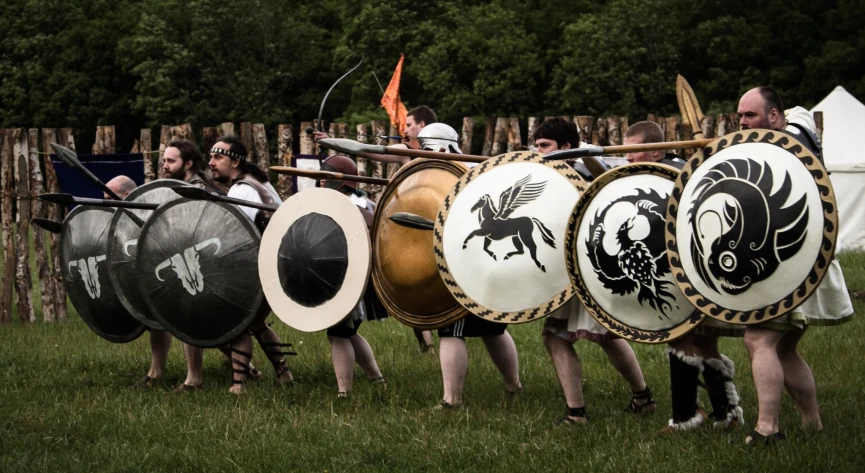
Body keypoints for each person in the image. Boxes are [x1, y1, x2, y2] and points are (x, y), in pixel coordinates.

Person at [736, 87, 854, 444]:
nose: (742, 122)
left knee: (759, 339)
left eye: (749, 116)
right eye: (739, 115)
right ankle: (813, 425)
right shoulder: (787, 143)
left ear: (774, 116)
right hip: (801, 265)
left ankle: (767, 430)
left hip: (791, 265)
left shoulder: (789, 150)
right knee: (784, 348)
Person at [623, 122, 744, 432]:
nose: (627, 161)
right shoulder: (687, 169)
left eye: (631, 155)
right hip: (703, 273)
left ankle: (685, 417)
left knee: (680, 340)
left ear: (655, 150)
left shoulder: (672, 176)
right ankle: (727, 412)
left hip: (688, 272)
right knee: (704, 344)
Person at [534, 117, 655, 424]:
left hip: (590, 269)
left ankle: (578, 414)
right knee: (603, 336)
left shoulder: (588, 171)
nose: (539, 152)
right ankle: (642, 398)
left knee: (559, 337)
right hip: (572, 272)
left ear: (566, 148)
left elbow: (613, 191)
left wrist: (589, 157)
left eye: (545, 146)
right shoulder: (548, 177)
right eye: (535, 146)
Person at [314, 106, 439, 354]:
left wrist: (329, 140)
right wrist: (331, 141)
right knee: (411, 281)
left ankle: (434, 340)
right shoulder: (422, 154)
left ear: (422, 126)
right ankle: (428, 344)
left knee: (414, 282)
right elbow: (368, 151)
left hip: (423, 222)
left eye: (409, 125)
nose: (405, 129)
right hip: (413, 223)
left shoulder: (416, 153)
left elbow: (365, 150)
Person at [415, 124, 523, 408]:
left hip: (464, 264)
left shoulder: (456, 174)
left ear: (442, 147)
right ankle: (514, 387)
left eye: (427, 149)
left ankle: (452, 400)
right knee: (492, 329)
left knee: (451, 327)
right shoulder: (467, 172)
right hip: (481, 263)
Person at [208, 136, 296, 394]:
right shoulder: (259, 183)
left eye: (218, 157)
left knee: (240, 322)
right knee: (257, 323)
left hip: (260, 266)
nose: (211, 163)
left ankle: (238, 385)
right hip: (277, 263)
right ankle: (284, 374)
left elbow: (235, 236)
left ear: (235, 161)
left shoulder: (242, 190)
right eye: (211, 157)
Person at [317, 154, 388, 397]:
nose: (321, 183)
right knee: (348, 332)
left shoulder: (350, 205)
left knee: (338, 333)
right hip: (358, 276)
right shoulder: (364, 201)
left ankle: (344, 391)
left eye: (325, 177)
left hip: (350, 277)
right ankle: (376, 378)